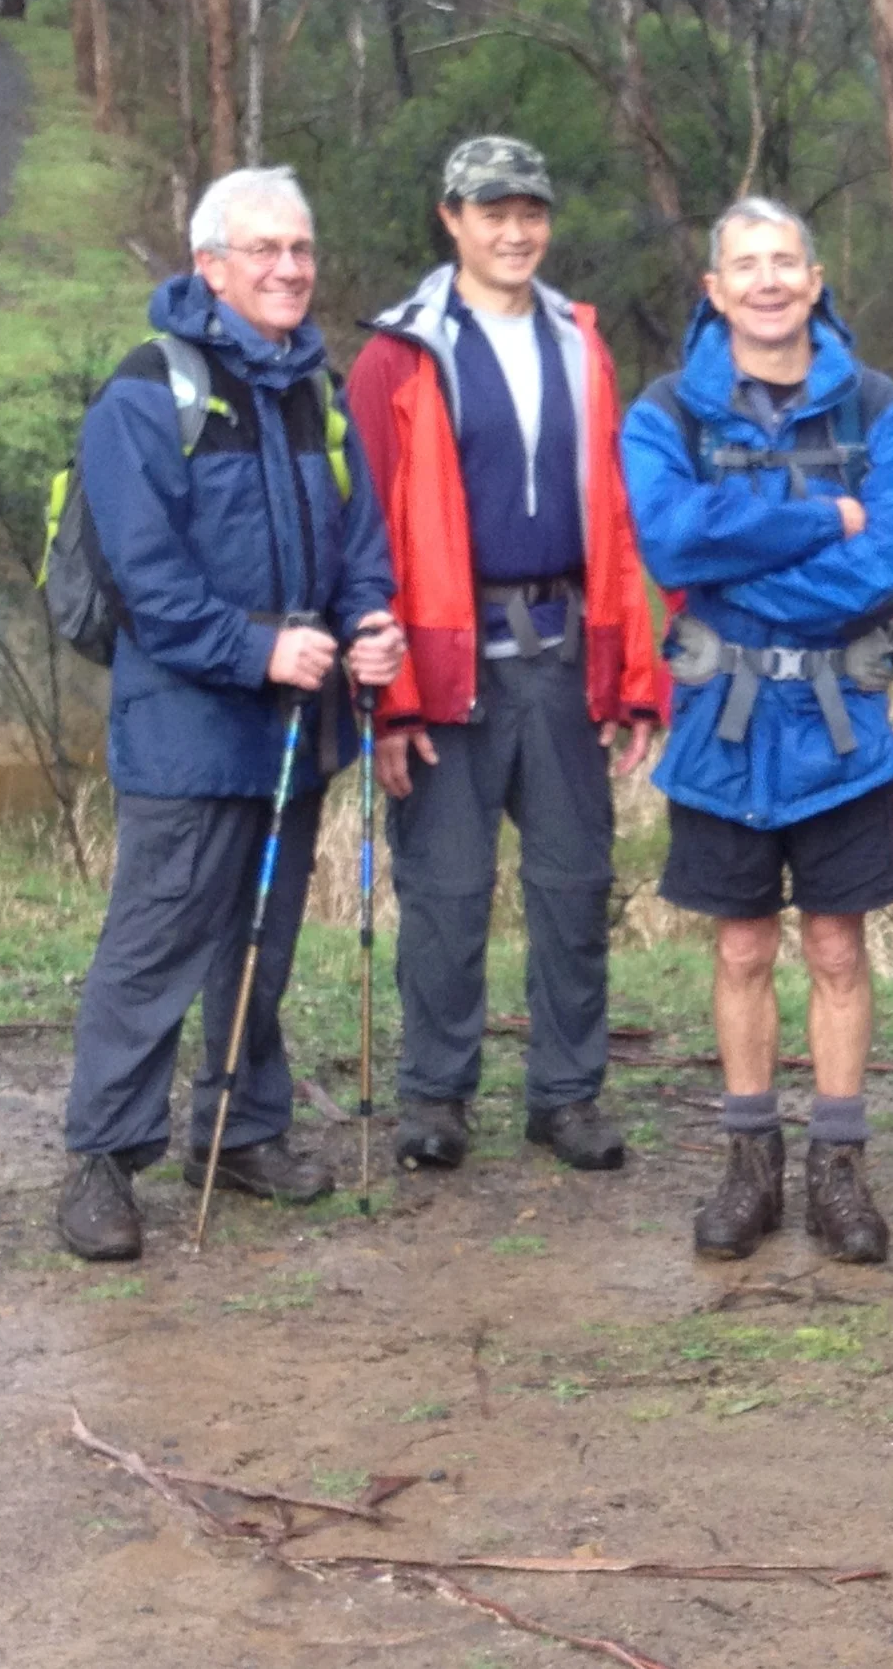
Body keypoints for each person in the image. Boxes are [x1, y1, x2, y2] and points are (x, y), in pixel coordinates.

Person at [56, 166, 404, 1262]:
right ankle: (103, 1161)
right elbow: (149, 584)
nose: (289, 269)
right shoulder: (142, 398)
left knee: (263, 937)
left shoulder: (313, 391)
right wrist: (258, 650)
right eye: (264, 251)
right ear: (210, 266)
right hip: (187, 722)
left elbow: (358, 544)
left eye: (300, 250)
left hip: (294, 725)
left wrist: (370, 624)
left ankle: (243, 1129)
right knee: (158, 940)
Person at [342, 136, 666, 1178]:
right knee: (444, 888)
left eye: (530, 210)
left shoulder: (581, 343)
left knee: (573, 883)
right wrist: (387, 701)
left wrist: (630, 672)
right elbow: (366, 535)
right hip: (442, 660)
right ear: (451, 219)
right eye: (493, 211)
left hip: (562, 651)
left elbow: (614, 519)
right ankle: (435, 1098)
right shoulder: (399, 355)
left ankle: (566, 1098)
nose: (514, 230)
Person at [621, 198, 893, 1264]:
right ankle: (747, 1164)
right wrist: (813, 524)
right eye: (743, 265)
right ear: (714, 289)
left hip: (841, 733)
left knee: (838, 946)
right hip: (722, 731)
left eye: (782, 263)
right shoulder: (665, 414)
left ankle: (839, 1168)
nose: (764, 281)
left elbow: (890, 566)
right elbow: (670, 541)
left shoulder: (878, 410)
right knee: (742, 946)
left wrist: (743, 574)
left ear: (815, 278)